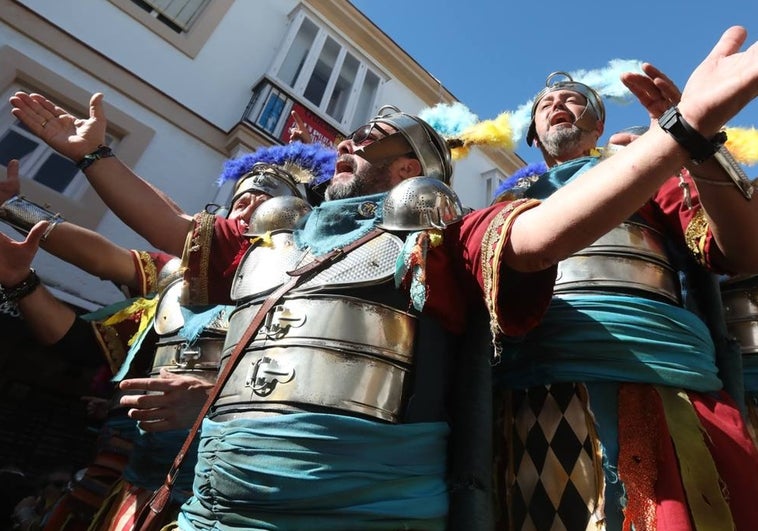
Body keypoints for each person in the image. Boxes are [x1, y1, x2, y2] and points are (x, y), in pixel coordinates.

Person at [9, 25, 758, 529]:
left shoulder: (450, 231)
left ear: (412, 171)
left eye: (382, 132)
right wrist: (96, 157)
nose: (354, 132)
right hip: (224, 505)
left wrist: (686, 132)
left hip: (630, 394)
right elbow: (172, 236)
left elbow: (541, 240)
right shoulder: (280, 236)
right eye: (548, 102)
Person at [0, 143, 334, 530]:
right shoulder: (179, 273)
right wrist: (14, 217)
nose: (245, 211)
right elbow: (104, 262)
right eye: (239, 201)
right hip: (136, 474)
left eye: (262, 202)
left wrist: (209, 403)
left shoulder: (310, 282)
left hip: (231, 491)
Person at [490, 53, 758, 531]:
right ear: (533, 133)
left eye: (573, 99)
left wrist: (695, 143)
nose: (558, 104)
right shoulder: (504, 204)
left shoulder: (648, 165)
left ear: (599, 123)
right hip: (531, 388)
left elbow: (737, 251)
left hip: (658, 380)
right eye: (546, 103)